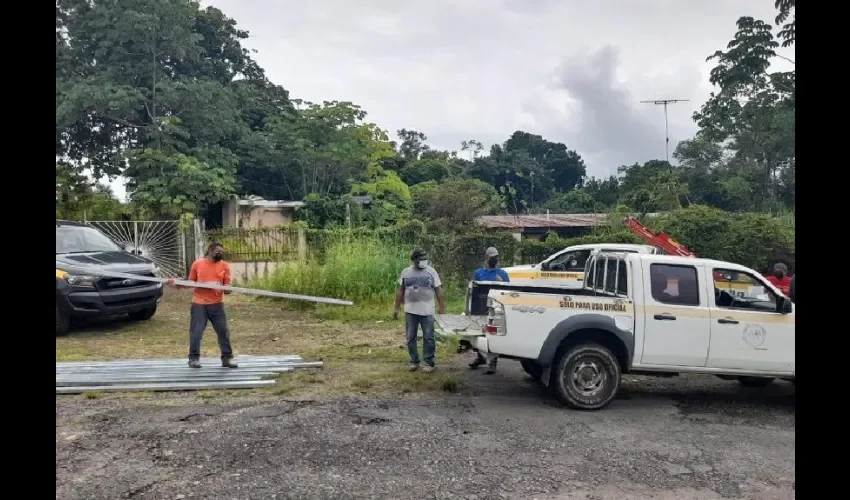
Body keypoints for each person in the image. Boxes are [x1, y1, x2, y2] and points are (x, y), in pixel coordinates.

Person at [167, 241, 237, 369]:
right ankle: (193, 359)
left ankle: (227, 358)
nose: (220, 254)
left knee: (223, 332)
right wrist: (176, 283)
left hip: (217, 304)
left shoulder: (225, 266)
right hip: (199, 304)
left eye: (222, 252)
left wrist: (223, 287)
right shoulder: (198, 264)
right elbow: (191, 283)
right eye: (218, 252)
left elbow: (228, 288)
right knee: (196, 332)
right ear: (210, 251)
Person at [393, 249, 445, 373]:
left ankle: (429, 361)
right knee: (410, 337)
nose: (423, 261)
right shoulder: (406, 272)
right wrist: (396, 307)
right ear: (414, 260)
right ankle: (414, 360)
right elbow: (401, 290)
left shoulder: (431, 272)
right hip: (410, 310)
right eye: (421, 259)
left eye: (424, 259)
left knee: (428, 337)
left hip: (427, 311)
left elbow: (439, 290)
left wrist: (441, 308)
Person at [469, 247, 509, 374]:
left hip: (495, 308)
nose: (494, 260)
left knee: (493, 333)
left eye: (496, 257)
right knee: (481, 333)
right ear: (487, 258)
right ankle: (480, 358)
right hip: (481, 306)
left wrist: (501, 282)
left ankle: (493, 362)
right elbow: (473, 290)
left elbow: (508, 292)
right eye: (492, 258)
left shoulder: (502, 274)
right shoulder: (479, 273)